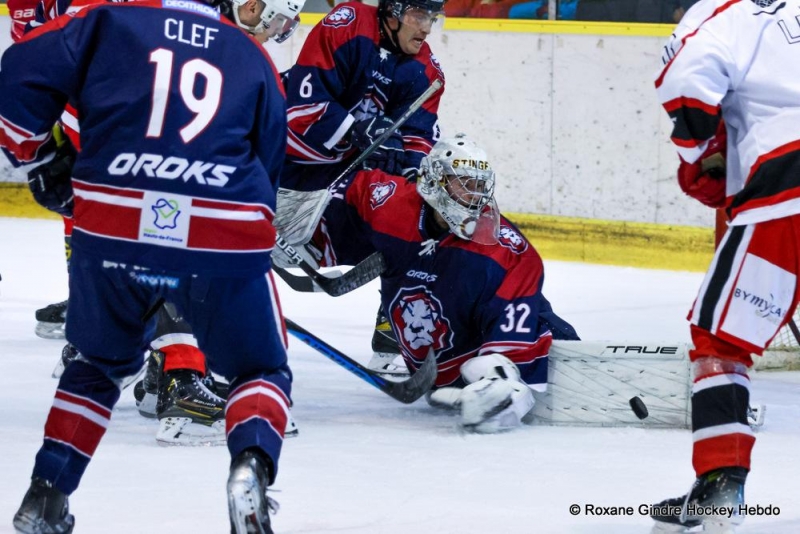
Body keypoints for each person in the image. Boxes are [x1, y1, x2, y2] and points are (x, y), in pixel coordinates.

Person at [0, 0, 298, 531]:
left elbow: (22, 68)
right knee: (261, 369)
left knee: (95, 365)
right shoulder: (250, 53)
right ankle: (249, 467)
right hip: (220, 229)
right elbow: (270, 162)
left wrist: (36, 156)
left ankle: (45, 493)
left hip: (114, 224)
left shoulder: (105, 20)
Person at [305, 134, 579, 432]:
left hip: (507, 347)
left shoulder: (506, 254)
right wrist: (294, 232)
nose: (474, 196)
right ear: (435, 181)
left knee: (488, 370)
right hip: (434, 366)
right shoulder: (390, 205)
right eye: (464, 183)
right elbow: (342, 197)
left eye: (479, 186)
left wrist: (502, 387)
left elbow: (513, 348)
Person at [652, 0, 800, 531]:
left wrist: (700, 153)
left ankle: (720, 485)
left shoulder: (724, 13)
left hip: (787, 186)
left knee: (720, 338)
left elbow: (686, 80)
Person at [278, 0, 447, 373]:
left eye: (432, 18)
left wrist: (408, 170)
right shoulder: (350, 24)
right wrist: (357, 132)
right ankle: (175, 357)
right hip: (280, 171)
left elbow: (418, 138)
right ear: (394, 12)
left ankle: (394, 326)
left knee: (421, 213)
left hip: (339, 189)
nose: (427, 28)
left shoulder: (425, 71)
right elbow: (300, 107)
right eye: (420, 16)